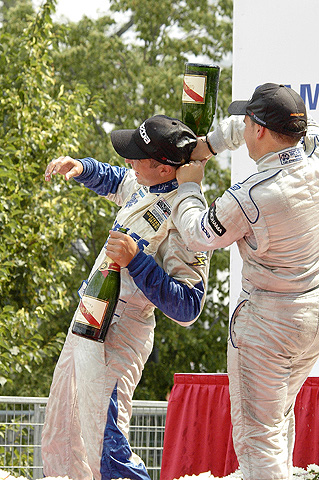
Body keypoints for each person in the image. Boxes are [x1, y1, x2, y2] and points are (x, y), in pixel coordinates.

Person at [41, 114, 210, 480]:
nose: (128, 160)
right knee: (65, 430)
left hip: (121, 333)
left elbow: (189, 307)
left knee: (104, 442)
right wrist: (82, 167)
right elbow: (118, 178)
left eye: (136, 155)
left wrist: (136, 261)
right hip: (89, 318)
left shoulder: (187, 217)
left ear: (164, 168)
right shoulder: (143, 182)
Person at [171, 83, 319, 480]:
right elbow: (249, 128)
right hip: (309, 321)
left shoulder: (251, 196)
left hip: (268, 327)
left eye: (249, 121)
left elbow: (197, 235)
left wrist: (189, 184)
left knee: (258, 442)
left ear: (260, 130)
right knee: (277, 425)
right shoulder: (313, 156)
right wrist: (209, 144)